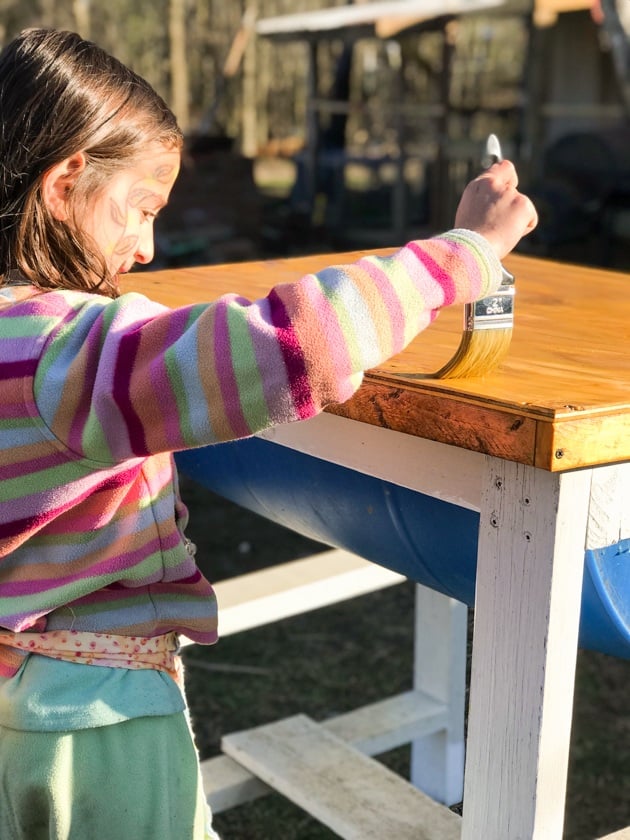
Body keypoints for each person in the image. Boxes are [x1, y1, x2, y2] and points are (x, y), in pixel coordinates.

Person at [0, 26, 537, 840]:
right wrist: (467, 248)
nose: (146, 247)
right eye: (141, 210)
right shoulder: (68, 360)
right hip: (95, 724)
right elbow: (294, 342)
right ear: (66, 178)